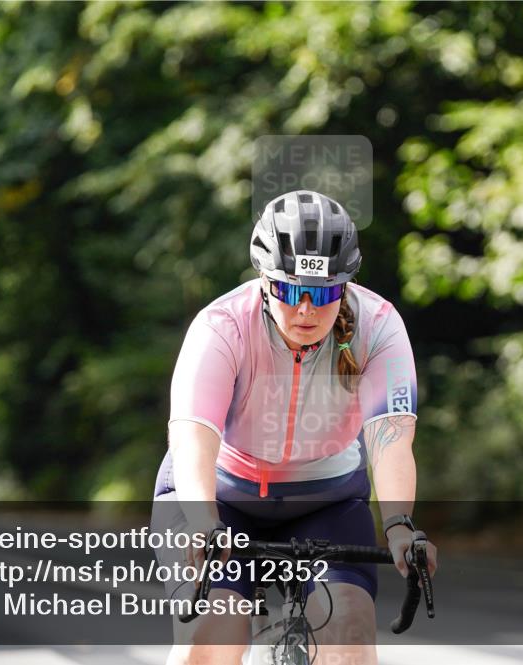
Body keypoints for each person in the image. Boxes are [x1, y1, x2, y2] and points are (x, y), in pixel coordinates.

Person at [151, 190, 438, 665]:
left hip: (325, 500)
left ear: (345, 286)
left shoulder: (379, 327)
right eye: (290, 290)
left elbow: (390, 438)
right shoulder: (221, 327)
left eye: (324, 292)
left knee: (349, 632)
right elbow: (192, 435)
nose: (306, 309)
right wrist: (204, 523)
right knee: (212, 636)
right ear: (264, 281)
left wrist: (398, 525)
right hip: (221, 496)